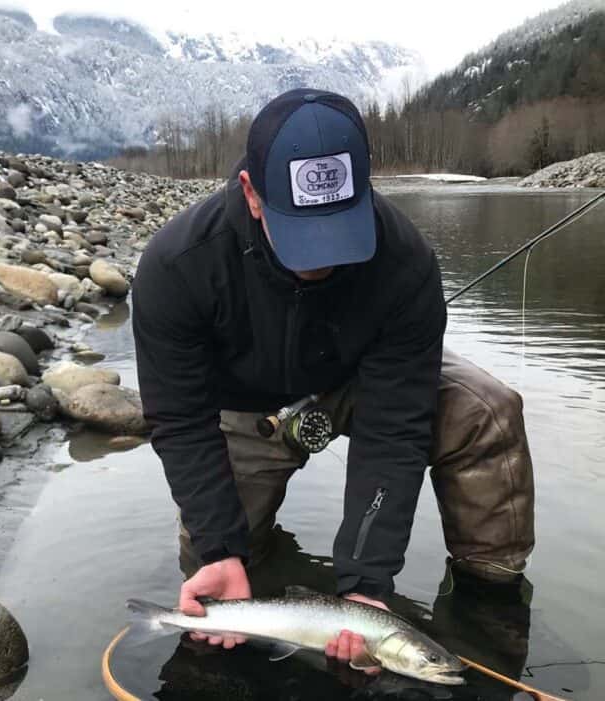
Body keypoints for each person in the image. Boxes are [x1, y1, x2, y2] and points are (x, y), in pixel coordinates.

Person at [131, 88, 534, 671]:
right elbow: (180, 419)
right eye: (302, 233)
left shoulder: (406, 262)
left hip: (362, 381)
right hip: (245, 409)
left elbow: (396, 429)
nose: (321, 259)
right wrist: (219, 546)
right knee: (218, 575)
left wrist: (367, 583)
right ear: (251, 193)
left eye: (339, 231)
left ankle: (489, 611)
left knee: (485, 411)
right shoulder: (178, 265)